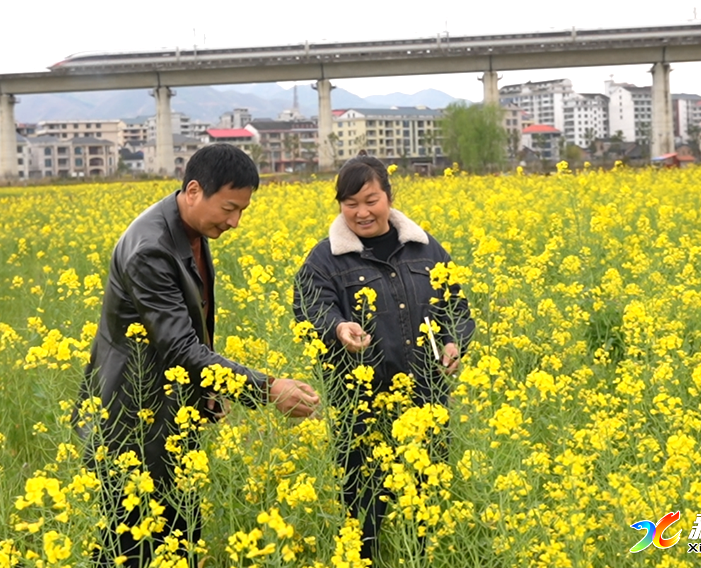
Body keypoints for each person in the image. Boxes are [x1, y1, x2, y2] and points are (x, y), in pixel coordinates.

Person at [76, 143, 319, 567]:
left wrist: (207, 389)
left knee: (180, 533)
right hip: (133, 417)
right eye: (228, 208)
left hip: (170, 408)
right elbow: (179, 346)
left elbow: (189, 331)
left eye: (242, 210)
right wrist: (266, 388)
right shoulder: (150, 249)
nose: (235, 221)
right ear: (193, 191)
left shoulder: (189, 230)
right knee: (133, 543)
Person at [293, 156, 475, 562]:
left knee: (425, 509)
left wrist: (453, 343)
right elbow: (309, 309)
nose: (362, 212)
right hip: (363, 408)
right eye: (350, 203)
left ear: (389, 197)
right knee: (364, 514)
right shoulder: (324, 259)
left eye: (371, 200)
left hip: (426, 401)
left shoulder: (426, 249)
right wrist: (338, 328)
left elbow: (456, 308)